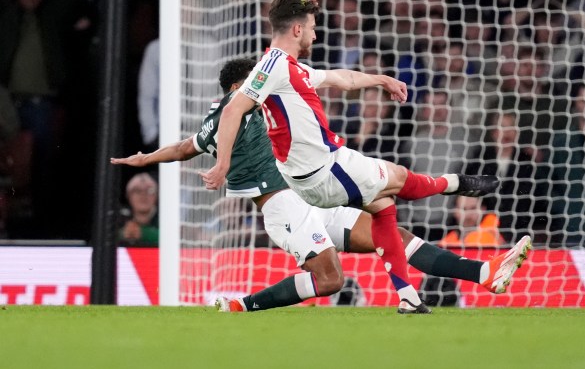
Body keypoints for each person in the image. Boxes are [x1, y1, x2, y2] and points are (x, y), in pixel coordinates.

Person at [112, 57, 531, 313]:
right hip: (282, 208)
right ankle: (244, 305)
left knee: (396, 236)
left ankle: (485, 273)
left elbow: (332, 79)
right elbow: (189, 146)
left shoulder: (272, 93)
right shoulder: (227, 114)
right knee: (331, 279)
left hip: (313, 195)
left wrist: (375, 79)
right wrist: (150, 158)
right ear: (239, 88)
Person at [202, 0, 501, 314]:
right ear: (297, 29)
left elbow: (341, 78)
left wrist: (380, 79)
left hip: (312, 181)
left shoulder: (291, 68)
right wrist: (222, 164)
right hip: (317, 175)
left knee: (384, 210)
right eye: (313, 28)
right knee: (398, 179)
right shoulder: (271, 67)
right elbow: (231, 112)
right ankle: (459, 184)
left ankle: (420, 293)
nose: (316, 36)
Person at [117, 172, 159, 247]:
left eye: (150, 190)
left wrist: (143, 233)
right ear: (128, 195)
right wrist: (123, 233)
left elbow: (172, 237)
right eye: (137, 191)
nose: (143, 195)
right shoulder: (118, 217)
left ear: (156, 196)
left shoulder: (165, 217)